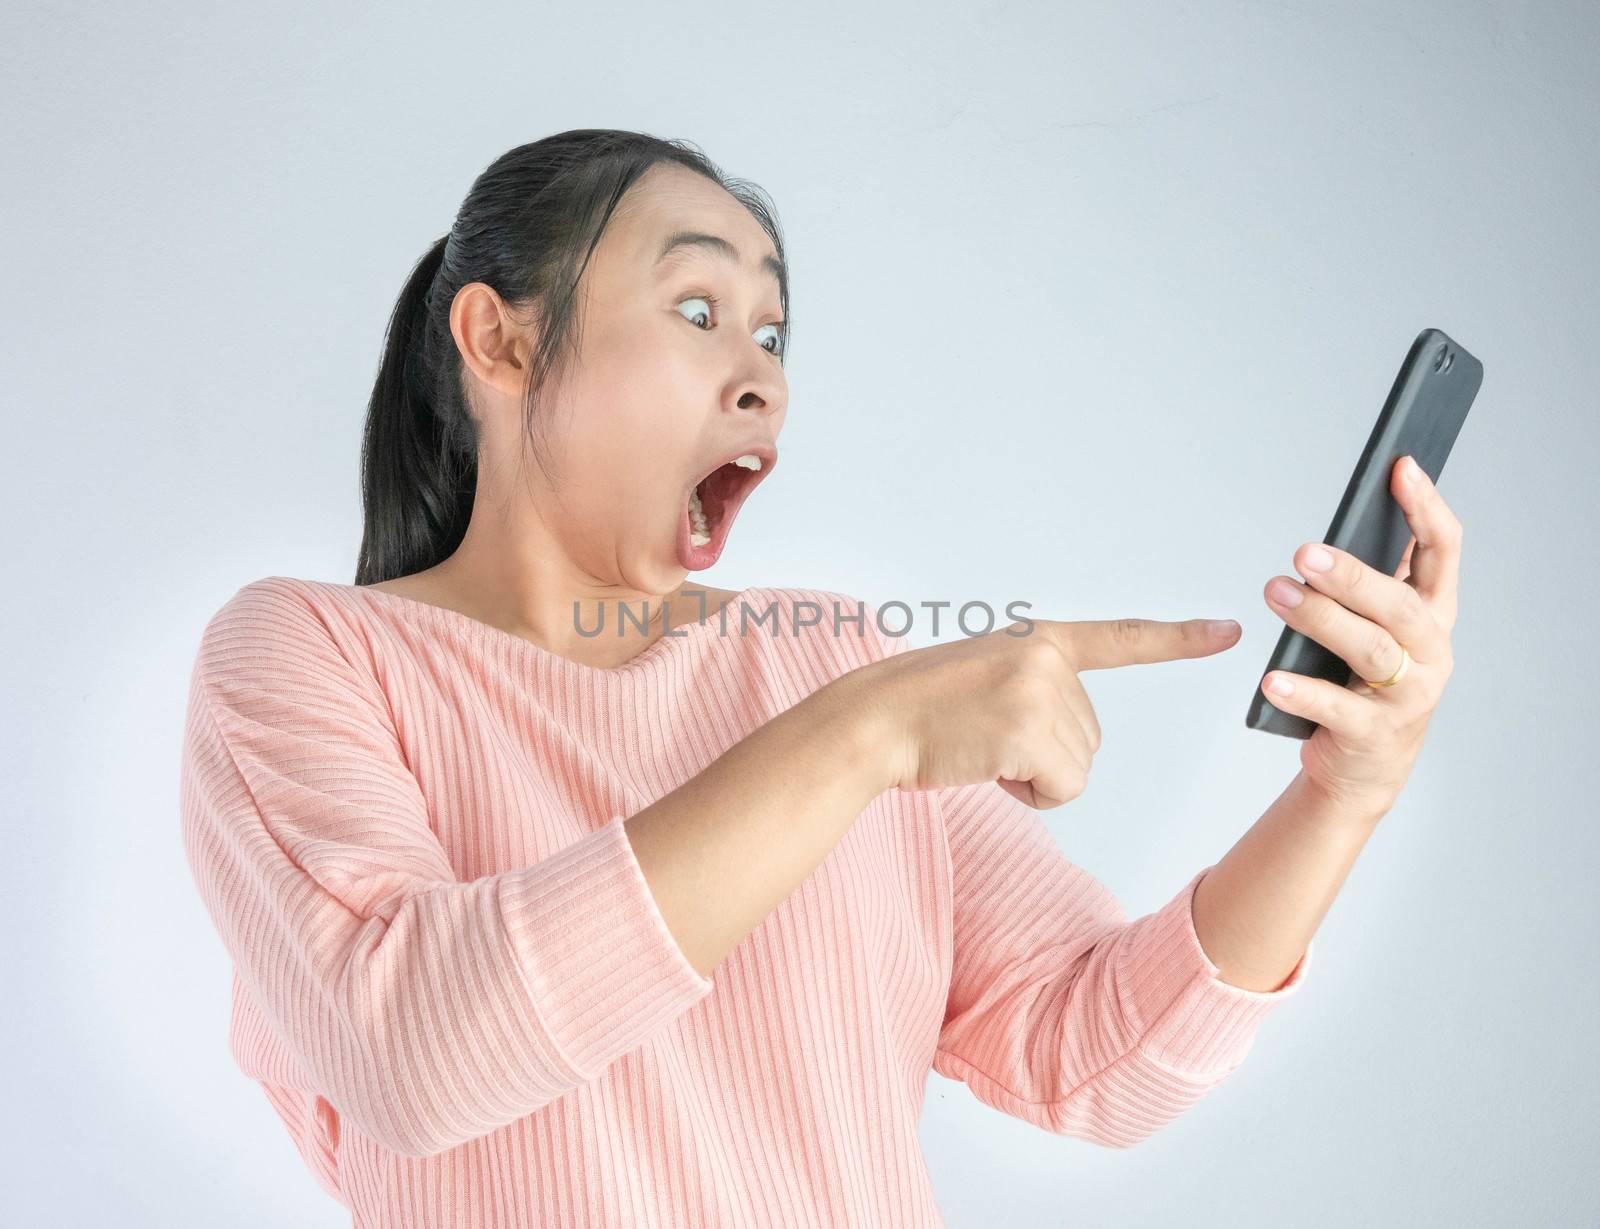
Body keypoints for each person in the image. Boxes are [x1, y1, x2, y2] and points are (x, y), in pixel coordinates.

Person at [179, 129, 1309, 1229]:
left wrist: (1345, 786)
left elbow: (1096, 1051)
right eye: (699, 311)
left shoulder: (830, 664)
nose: (763, 373)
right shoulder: (308, 653)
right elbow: (408, 1051)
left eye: (772, 332)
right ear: (503, 342)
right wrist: (862, 735)